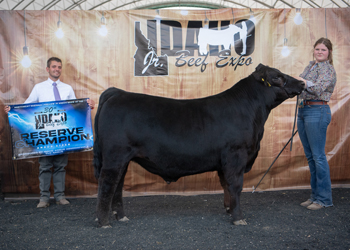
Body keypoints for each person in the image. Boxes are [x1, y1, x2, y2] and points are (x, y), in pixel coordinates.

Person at [4, 57, 95, 208]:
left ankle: (60, 197)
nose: (57, 69)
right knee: (45, 167)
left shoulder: (67, 89)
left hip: (63, 136)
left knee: (60, 166)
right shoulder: (39, 88)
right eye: (54, 67)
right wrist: (12, 110)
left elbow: (75, 108)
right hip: (45, 137)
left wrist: (88, 105)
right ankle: (44, 199)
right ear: (48, 69)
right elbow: (26, 107)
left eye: (59, 67)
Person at [296, 38, 336, 210]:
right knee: (311, 157)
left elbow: (317, 89)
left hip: (317, 111)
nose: (320, 52)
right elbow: (300, 84)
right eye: (317, 49)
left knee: (318, 157)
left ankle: (324, 199)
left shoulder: (328, 69)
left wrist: (301, 82)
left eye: (323, 50)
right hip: (304, 111)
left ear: (329, 53)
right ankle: (314, 196)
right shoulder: (310, 66)